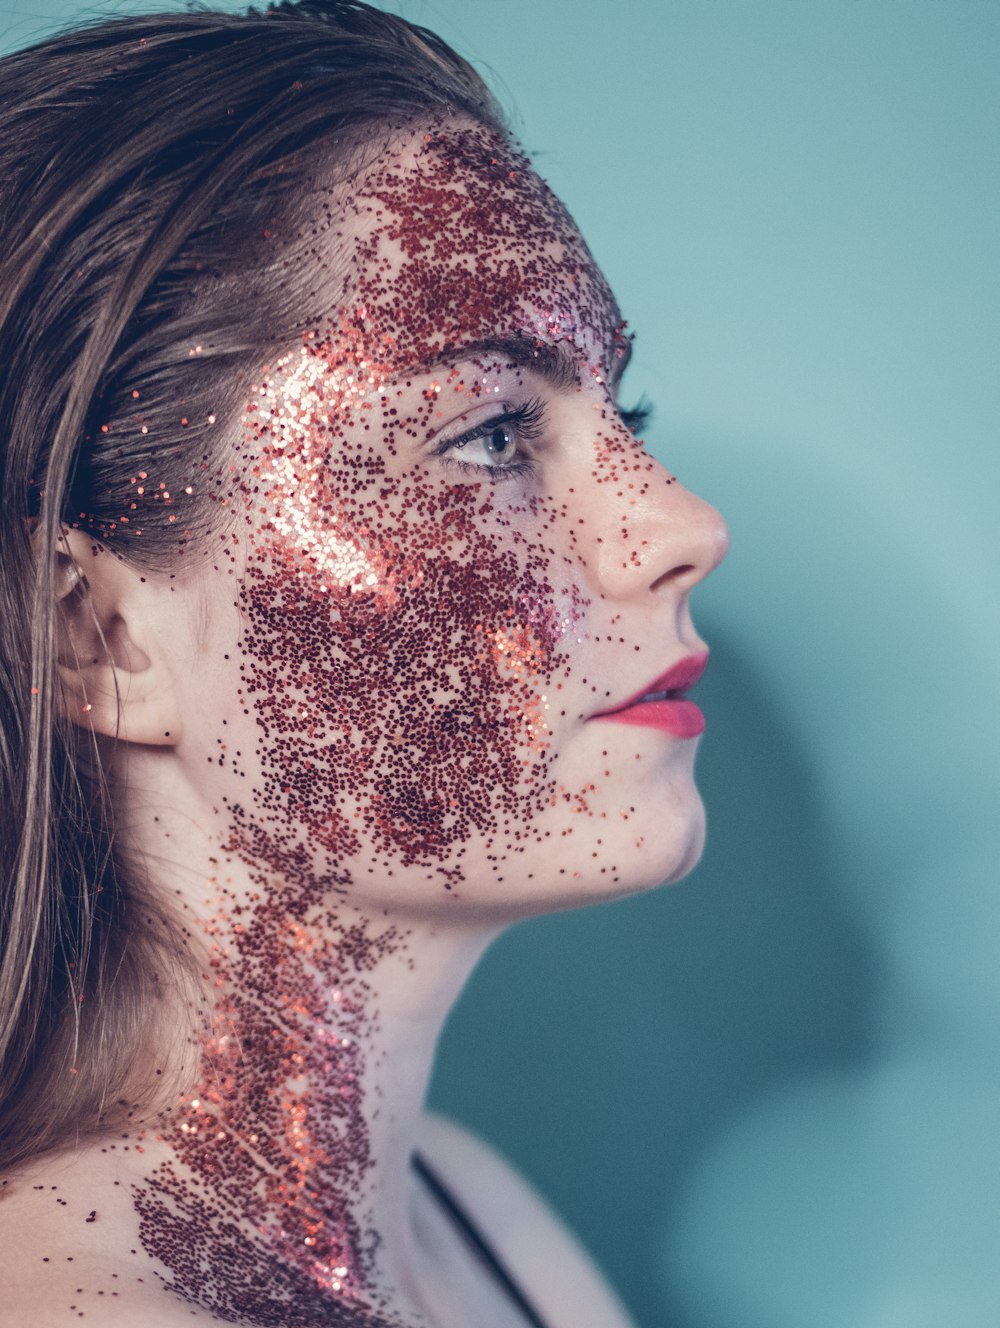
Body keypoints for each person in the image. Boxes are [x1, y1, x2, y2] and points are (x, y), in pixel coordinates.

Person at [0, 2, 728, 1323]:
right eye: (496, 433)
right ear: (93, 634)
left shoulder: (472, 1212)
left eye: (618, 412)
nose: (683, 525)